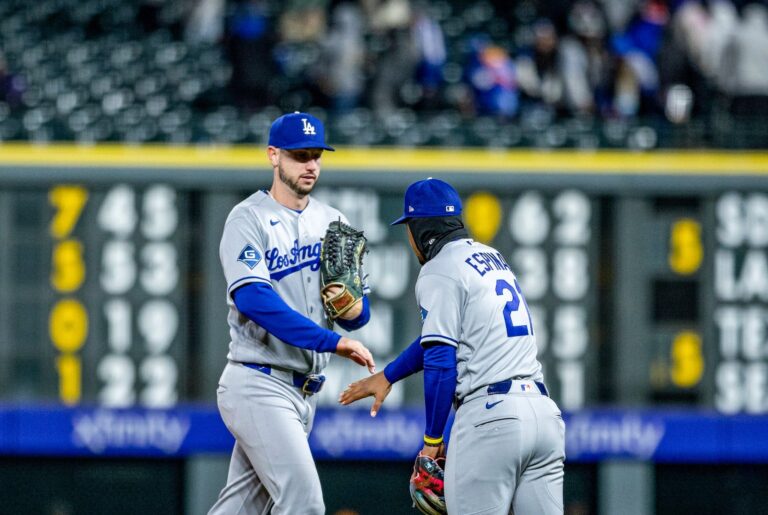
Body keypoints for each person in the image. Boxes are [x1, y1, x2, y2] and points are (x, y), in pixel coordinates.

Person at [340, 178, 565, 514]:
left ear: (421, 230)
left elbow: (441, 359)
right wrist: (389, 375)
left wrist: (432, 441)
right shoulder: (492, 256)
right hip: (544, 418)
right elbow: (441, 338)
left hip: (491, 419)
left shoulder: (439, 268)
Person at [209, 112, 376, 515]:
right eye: (300, 155)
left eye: (316, 155)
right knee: (305, 504)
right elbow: (253, 300)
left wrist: (351, 308)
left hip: (304, 393)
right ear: (273, 156)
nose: (311, 165)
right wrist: (333, 341)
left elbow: (358, 315)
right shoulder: (247, 219)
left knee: (240, 509)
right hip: (257, 382)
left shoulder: (332, 220)